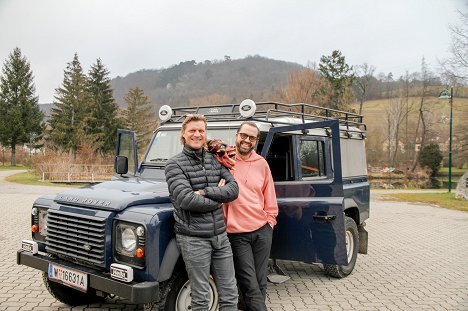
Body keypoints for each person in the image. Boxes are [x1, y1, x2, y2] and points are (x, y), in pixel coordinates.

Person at [164, 114, 239, 311]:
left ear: (205, 134)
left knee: (230, 294)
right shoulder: (174, 164)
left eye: (201, 131)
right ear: (183, 134)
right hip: (193, 239)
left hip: (220, 237)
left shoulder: (215, 160)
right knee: (200, 297)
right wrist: (218, 200)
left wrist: (206, 191)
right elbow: (186, 200)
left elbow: (233, 190)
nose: (197, 134)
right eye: (192, 131)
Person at [224, 121, 279, 311]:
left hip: (262, 230)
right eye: (244, 135)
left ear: (256, 141)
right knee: (249, 282)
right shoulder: (225, 160)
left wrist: (270, 222)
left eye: (252, 138)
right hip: (237, 233)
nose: (247, 140)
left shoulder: (261, 164)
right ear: (237, 135)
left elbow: (269, 195)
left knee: (260, 280)